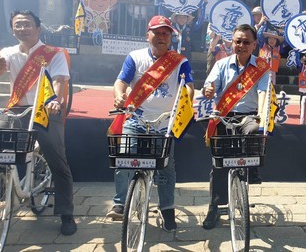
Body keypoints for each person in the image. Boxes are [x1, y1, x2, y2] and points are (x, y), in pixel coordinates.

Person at [108, 15, 194, 233]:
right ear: (148, 35)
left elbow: (189, 86)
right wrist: (119, 96)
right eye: (157, 32)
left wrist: (186, 101)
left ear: (171, 37)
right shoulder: (135, 57)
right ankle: (119, 202)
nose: (161, 37)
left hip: (164, 122)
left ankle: (167, 210)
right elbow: (121, 82)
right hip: (136, 118)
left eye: (166, 33)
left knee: (166, 168)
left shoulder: (180, 61)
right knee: (124, 157)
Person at [0, 10, 77, 235]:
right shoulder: (9, 52)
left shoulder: (53, 54)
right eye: (18, 25)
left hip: (45, 110)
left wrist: (57, 101)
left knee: (57, 160)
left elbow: (61, 81)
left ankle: (66, 214)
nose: (22, 28)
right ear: (12, 29)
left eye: (27, 24)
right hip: (18, 109)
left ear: (38, 28)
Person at [201, 24, 270, 230]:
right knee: (219, 165)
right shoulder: (221, 64)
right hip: (224, 115)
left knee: (252, 132)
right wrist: (208, 90)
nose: (241, 45)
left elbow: (263, 93)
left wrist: (262, 117)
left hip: (249, 116)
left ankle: (251, 168)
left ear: (254, 44)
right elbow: (210, 86)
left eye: (246, 42)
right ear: (232, 41)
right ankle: (214, 208)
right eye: (237, 41)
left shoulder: (261, 67)